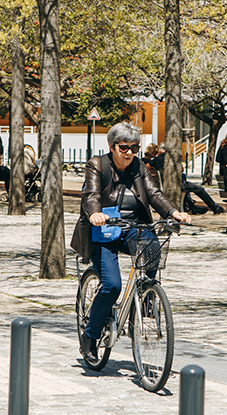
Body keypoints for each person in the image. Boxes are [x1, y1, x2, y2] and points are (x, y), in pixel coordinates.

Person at [69, 122, 191, 363]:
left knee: (154, 246)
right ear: (112, 146)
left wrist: (173, 212)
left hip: (133, 227)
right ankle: (90, 336)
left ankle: (145, 297)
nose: (130, 153)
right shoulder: (98, 165)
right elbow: (90, 195)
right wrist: (94, 213)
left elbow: (154, 194)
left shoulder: (138, 166)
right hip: (103, 231)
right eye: (124, 147)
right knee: (112, 286)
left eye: (135, 147)